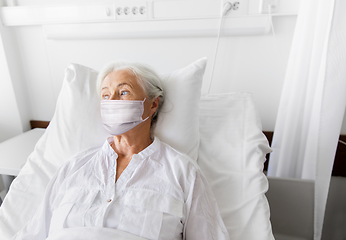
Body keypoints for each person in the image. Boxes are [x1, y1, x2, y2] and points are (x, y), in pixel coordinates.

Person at [12, 61, 229, 240]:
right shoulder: (73, 168)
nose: (112, 101)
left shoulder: (183, 173)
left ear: (153, 104)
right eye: (106, 96)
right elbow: (34, 232)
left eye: (123, 92)